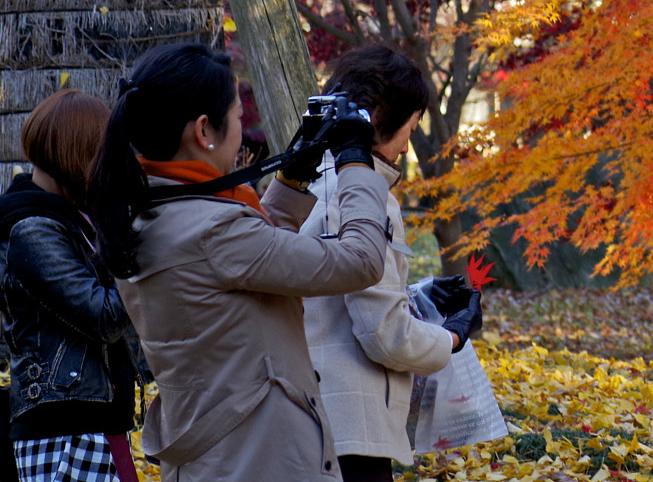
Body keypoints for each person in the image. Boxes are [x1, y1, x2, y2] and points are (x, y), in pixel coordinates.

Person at [88, 44, 390, 482]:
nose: (241, 130)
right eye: (238, 117)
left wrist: (295, 173)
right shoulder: (212, 230)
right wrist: (359, 162)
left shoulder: (148, 213)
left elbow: (256, 261)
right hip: (261, 457)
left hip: (219, 455)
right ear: (204, 130)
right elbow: (360, 261)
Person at [302, 46, 482, 482]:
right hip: (352, 426)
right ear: (380, 118)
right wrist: (452, 337)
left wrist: (416, 294)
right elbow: (383, 334)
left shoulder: (307, 186)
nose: (407, 146)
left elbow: (331, 299)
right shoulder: (366, 200)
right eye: (411, 128)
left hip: (309, 418)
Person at [0, 91, 139, 482]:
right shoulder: (31, 227)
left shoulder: (67, 218)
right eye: (104, 154)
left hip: (87, 420)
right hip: (66, 430)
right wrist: (135, 238)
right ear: (78, 155)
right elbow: (106, 316)